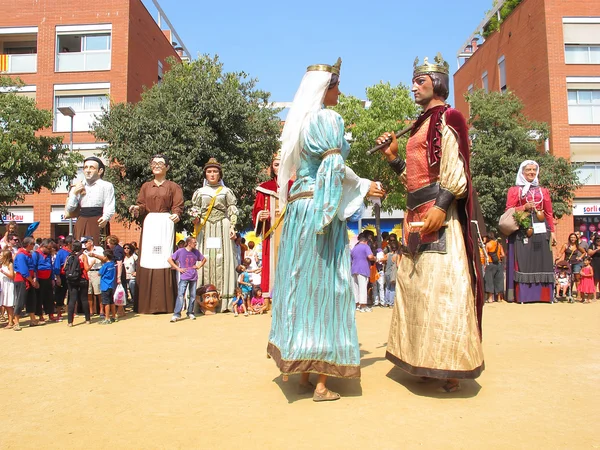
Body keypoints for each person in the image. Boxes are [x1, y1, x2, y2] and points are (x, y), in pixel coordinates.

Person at [267, 58, 385, 402]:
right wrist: (363, 187)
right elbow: (333, 168)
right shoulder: (328, 119)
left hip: (298, 210)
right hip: (319, 209)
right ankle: (321, 383)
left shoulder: (299, 124)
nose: (339, 92)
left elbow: (295, 175)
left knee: (299, 285)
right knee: (328, 288)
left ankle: (301, 369)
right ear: (327, 88)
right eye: (337, 86)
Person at [377, 53, 484, 393]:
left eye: (420, 80)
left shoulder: (449, 117)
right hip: (414, 216)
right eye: (413, 80)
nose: (413, 86)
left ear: (437, 83)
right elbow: (413, 178)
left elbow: (454, 167)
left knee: (444, 290)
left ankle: (451, 366)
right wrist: (394, 157)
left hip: (439, 216)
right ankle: (424, 360)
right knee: (417, 291)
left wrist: (442, 205)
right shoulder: (418, 124)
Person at [130, 155, 184, 314]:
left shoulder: (173, 186)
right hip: (151, 222)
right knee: (148, 257)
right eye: (154, 163)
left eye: (161, 163)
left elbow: (178, 205)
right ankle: (145, 304)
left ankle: (167, 303)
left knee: (165, 257)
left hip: (165, 222)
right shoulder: (146, 186)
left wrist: (177, 214)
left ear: (167, 167)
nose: (157, 166)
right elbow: (141, 205)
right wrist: (136, 209)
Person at [191, 158, 239, 311]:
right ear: (205, 174)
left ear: (220, 174)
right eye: (209, 171)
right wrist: (195, 218)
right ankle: (200, 298)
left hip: (222, 227)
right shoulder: (200, 192)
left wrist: (232, 226)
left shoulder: (226, 191)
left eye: (215, 172)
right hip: (204, 227)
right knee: (204, 257)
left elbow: (232, 208)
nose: (212, 174)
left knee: (223, 258)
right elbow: (195, 209)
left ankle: (224, 299)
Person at [505, 160, 556, 304]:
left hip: (541, 227)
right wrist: (524, 207)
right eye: (528, 170)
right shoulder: (514, 190)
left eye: (534, 170)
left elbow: (548, 212)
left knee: (542, 260)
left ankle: (544, 295)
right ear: (522, 172)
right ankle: (523, 295)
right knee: (524, 260)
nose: (532, 172)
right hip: (523, 228)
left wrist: (552, 231)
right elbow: (509, 209)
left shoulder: (543, 191)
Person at [252, 151, 292, 297]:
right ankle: (271, 296)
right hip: (271, 231)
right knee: (271, 261)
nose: (279, 167)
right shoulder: (264, 188)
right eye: (276, 164)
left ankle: (291, 294)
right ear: (272, 168)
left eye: (282, 164)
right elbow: (256, 209)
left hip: (291, 231)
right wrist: (259, 216)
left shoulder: (295, 187)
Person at [65, 156, 116, 243]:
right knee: (81, 249)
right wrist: (74, 193)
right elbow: (69, 209)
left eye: (91, 168)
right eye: (85, 167)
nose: (88, 170)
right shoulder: (77, 186)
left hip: (98, 220)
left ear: (100, 171)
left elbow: (110, 205)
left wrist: (106, 217)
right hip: (81, 221)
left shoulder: (106, 186)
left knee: (97, 249)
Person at [167, 236, 206, 322]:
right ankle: (176, 314)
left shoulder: (196, 252)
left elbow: (204, 259)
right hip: (184, 276)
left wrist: (199, 265)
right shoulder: (180, 251)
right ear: (189, 243)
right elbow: (170, 259)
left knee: (192, 296)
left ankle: (190, 312)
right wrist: (178, 268)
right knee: (181, 295)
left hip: (193, 276)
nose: (196, 244)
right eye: (194, 242)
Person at [14, 236, 43, 327]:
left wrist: (34, 278)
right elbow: (24, 270)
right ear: (28, 244)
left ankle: (33, 320)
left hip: (30, 279)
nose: (34, 246)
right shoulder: (21, 255)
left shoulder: (29, 254)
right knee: (20, 301)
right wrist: (31, 280)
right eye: (32, 244)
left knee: (32, 300)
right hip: (22, 280)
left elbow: (32, 267)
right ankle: (16, 322)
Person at [65, 240, 91, 327]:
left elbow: (64, 268)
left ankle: (70, 321)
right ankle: (87, 319)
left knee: (72, 300)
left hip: (72, 280)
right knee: (84, 299)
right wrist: (92, 264)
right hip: (82, 279)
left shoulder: (69, 256)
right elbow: (86, 268)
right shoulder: (83, 256)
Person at [32, 239, 56, 321]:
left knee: (49, 297)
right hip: (40, 278)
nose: (49, 250)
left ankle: (50, 314)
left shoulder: (48, 255)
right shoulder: (36, 254)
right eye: (48, 248)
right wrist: (36, 279)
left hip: (48, 277)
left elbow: (51, 267)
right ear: (43, 246)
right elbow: (34, 267)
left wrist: (52, 279)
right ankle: (40, 315)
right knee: (39, 298)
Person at [558, 233, 586, 301]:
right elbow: (561, 253)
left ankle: (578, 294)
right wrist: (558, 258)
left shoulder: (577, 246)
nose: (572, 239)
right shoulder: (566, 245)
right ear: (569, 238)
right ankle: (567, 293)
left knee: (577, 278)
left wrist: (580, 258)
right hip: (567, 263)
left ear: (576, 238)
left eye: (574, 237)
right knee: (567, 278)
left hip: (576, 263)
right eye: (571, 237)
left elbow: (584, 252)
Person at [351, 233, 375, 312]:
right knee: (363, 287)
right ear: (366, 241)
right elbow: (370, 257)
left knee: (355, 288)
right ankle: (363, 306)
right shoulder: (366, 247)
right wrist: (375, 258)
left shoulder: (354, 248)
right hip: (363, 269)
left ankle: (357, 305)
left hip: (353, 269)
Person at [82, 236, 104, 316]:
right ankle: (91, 310)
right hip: (88, 272)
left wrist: (95, 255)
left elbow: (104, 259)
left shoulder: (99, 249)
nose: (84, 244)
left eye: (86, 242)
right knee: (89, 292)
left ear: (90, 242)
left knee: (99, 292)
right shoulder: (84, 252)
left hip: (97, 271)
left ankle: (101, 310)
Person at [53, 236, 72, 320]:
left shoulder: (72, 252)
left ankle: (70, 311)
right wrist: (58, 277)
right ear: (68, 244)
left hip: (71, 276)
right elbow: (56, 265)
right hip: (62, 276)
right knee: (60, 294)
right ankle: (59, 313)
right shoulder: (61, 252)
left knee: (71, 294)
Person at [483, 232, 505, 303]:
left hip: (490, 263)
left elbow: (485, 255)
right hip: (498, 263)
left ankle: (490, 298)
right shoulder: (499, 244)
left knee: (489, 280)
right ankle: (499, 298)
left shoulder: (488, 245)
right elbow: (503, 255)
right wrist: (497, 256)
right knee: (499, 280)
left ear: (488, 238)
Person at [98, 249, 117, 324]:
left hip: (105, 285)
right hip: (111, 285)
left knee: (106, 302)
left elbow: (99, 273)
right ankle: (114, 316)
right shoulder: (112, 264)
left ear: (106, 257)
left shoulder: (105, 265)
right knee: (111, 301)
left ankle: (107, 318)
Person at [0, 249, 16, 330]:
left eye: (1, 255)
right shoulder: (2, 264)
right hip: (3, 285)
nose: (0, 257)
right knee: (4, 304)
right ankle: (10, 320)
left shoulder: (10, 264)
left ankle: (11, 322)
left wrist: (3, 272)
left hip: (8, 285)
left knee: (8, 304)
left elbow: (12, 276)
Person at [383, 240, 400, 307]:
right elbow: (398, 265)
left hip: (387, 272)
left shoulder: (387, 255)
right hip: (393, 273)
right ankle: (391, 303)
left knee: (387, 287)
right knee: (392, 288)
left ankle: (386, 302)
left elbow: (383, 261)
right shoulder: (397, 256)